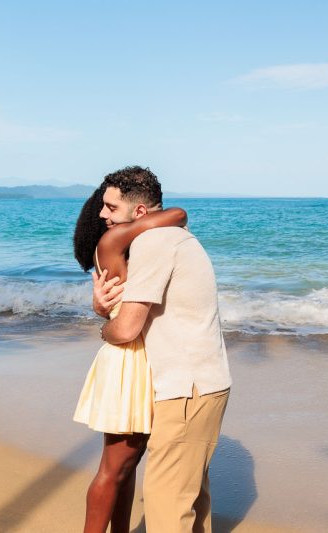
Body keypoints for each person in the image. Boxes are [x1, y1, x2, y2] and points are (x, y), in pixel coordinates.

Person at [93, 166, 232, 533]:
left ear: (139, 213)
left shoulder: (154, 243)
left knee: (166, 508)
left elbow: (125, 329)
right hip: (205, 384)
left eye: (110, 207)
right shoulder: (178, 236)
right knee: (190, 501)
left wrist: (103, 327)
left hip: (186, 389)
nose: (102, 214)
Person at [73, 180, 188, 533]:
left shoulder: (115, 247)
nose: (107, 216)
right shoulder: (111, 241)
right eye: (104, 210)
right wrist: (142, 213)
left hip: (129, 356)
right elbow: (178, 215)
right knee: (114, 467)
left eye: (111, 208)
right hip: (129, 359)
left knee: (126, 466)